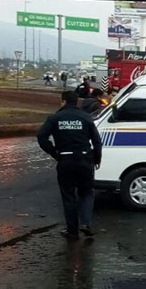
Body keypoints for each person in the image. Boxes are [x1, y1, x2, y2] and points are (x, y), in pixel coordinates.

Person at [37, 90, 103, 239]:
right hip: (85, 160)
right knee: (86, 193)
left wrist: (55, 153)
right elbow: (97, 141)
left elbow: (41, 137)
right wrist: (97, 159)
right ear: (76, 102)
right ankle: (85, 223)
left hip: (65, 160)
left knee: (68, 196)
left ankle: (72, 231)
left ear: (63, 101)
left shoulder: (55, 118)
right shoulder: (85, 117)